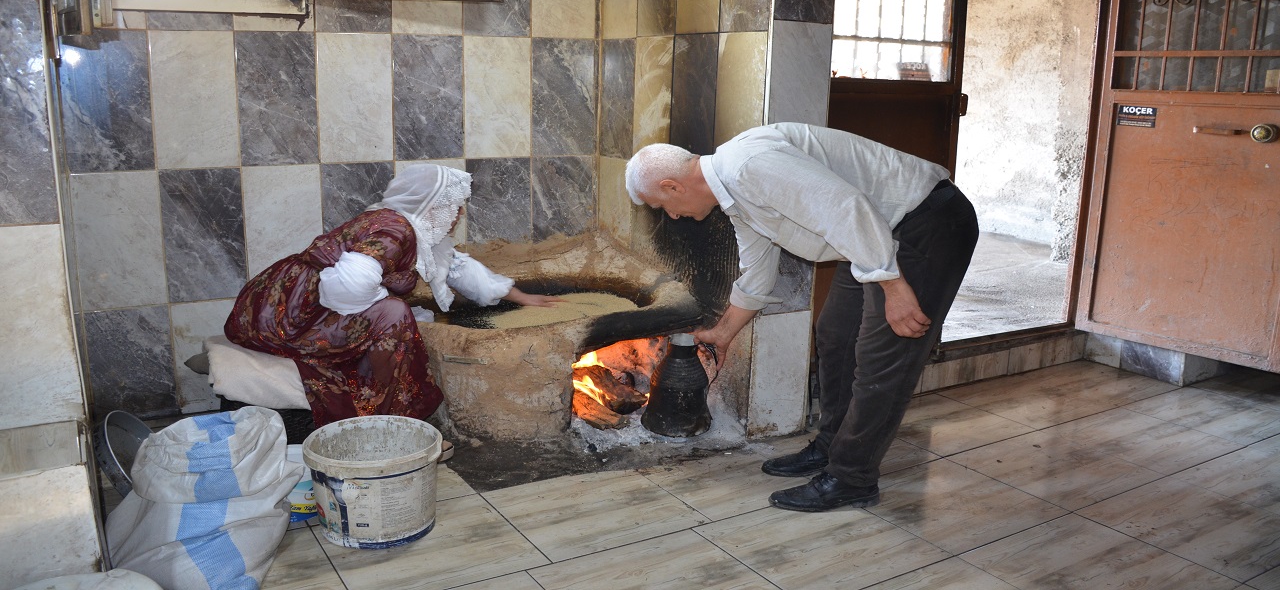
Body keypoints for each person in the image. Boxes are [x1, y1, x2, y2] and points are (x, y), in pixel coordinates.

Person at [626, 122, 978, 512]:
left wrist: (893, 287)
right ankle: (831, 446)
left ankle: (851, 477)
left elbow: (846, 207)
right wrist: (723, 332)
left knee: (883, 357)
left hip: (922, 224)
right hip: (870, 235)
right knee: (835, 335)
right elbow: (758, 270)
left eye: (662, 207)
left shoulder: (748, 166)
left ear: (673, 187)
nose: (671, 217)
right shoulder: (734, 193)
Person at [225, 163, 560, 431]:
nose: (458, 215)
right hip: (288, 317)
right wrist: (384, 305)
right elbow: (347, 288)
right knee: (395, 313)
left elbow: (456, 267)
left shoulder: (410, 227)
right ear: (432, 206)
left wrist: (520, 297)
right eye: (454, 207)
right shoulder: (395, 229)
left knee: (399, 313)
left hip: (283, 305)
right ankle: (390, 421)